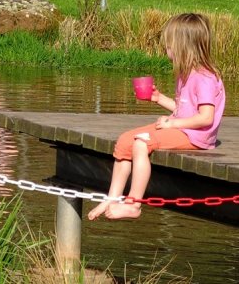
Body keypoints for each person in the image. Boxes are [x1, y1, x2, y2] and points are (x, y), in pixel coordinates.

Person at [87, 13, 226, 221]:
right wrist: (158, 98)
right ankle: (112, 198)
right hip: (183, 128)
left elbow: (206, 118)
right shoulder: (185, 73)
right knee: (125, 141)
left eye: (169, 45)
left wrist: (173, 123)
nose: (166, 49)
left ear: (183, 47)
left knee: (142, 143)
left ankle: (133, 204)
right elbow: (183, 109)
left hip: (196, 137)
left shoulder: (204, 78)